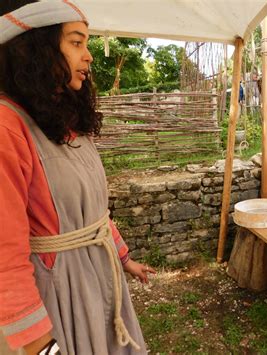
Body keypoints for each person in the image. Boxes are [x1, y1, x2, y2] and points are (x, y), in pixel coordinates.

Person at [0, 1, 155, 354]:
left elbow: (95, 215)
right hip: (58, 296)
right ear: (38, 48)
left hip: (98, 276)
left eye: (86, 44)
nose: (88, 57)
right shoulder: (7, 127)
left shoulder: (65, 120)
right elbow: (4, 255)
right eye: (75, 43)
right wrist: (42, 347)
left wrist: (123, 258)